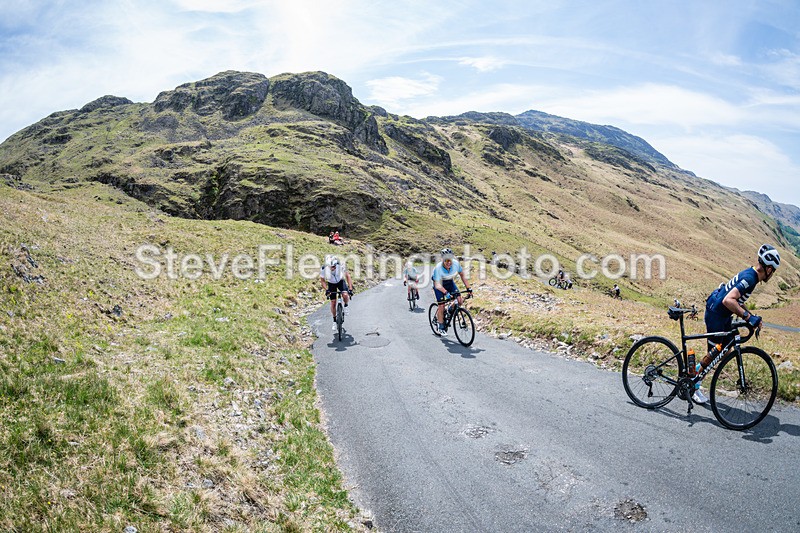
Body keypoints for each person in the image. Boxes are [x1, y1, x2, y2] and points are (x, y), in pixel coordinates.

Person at [694, 244, 780, 404]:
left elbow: (737, 299)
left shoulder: (751, 274)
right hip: (717, 315)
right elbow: (729, 300)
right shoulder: (750, 279)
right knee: (713, 354)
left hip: (723, 314)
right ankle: (694, 385)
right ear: (768, 269)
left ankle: (695, 372)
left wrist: (752, 316)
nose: (772, 274)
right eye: (773, 271)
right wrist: (748, 317)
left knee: (725, 351)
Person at [431, 248, 472, 336]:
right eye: (447, 260)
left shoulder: (456, 264)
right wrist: (446, 293)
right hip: (439, 286)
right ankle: (440, 325)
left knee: (459, 301)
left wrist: (468, 288)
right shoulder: (438, 268)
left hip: (449, 282)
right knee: (441, 305)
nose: (449, 262)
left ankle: (450, 309)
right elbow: (437, 285)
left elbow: (462, 275)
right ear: (442, 260)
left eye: (451, 260)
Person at [320, 256, 353, 331]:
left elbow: (348, 276)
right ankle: (334, 321)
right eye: (331, 267)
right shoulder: (323, 269)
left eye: (334, 267)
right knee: (333, 302)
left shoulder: (341, 265)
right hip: (331, 283)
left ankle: (346, 305)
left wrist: (350, 289)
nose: (332, 268)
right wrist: (327, 290)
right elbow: (322, 281)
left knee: (345, 294)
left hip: (340, 281)